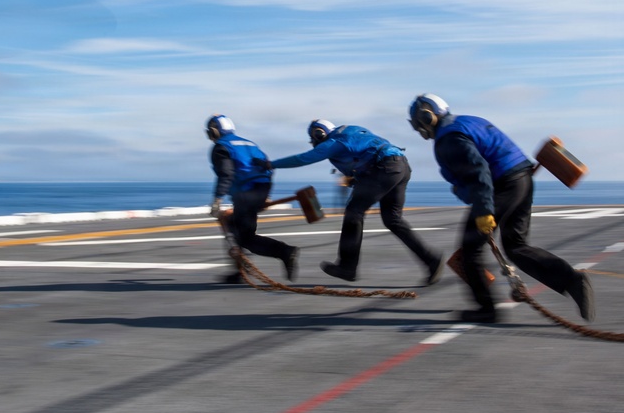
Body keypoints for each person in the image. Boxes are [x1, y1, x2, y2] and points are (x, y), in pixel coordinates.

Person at [407, 93, 595, 323]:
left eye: (418, 124)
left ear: (427, 116)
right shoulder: (467, 121)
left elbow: (479, 173)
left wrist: (484, 211)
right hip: (522, 179)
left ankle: (486, 309)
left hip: (500, 187)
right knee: (516, 246)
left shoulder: (449, 138)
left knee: (470, 250)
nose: (419, 131)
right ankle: (573, 281)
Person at [268, 119, 444, 285]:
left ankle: (348, 267)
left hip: (385, 168)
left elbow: (303, 158)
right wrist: (359, 179)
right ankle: (432, 261)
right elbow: (366, 155)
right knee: (393, 220)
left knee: (354, 212)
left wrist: (271, 164)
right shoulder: (353, 131)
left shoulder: (334, 142)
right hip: (400, 167)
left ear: (319, 134)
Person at [206, 114, 299, 284]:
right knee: (233, 224)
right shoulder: (250, 143)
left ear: (214, 131)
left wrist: (217, 200)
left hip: (245, 193)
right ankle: (240, 271)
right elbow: (268, 167)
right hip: (261, 189)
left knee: (246, 238)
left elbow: (226, 174)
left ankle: (285, 251)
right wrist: (265, 193)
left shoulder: (221, 147)